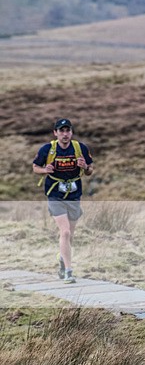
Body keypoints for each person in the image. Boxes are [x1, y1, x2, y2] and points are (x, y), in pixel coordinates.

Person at [31, 118, 95, 284]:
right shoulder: (48, 149)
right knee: (65, 232)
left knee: (70, 236)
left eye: (68, 131)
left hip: (74, 195)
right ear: (56, 133)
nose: (65, 134)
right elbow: (35, 167)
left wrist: (85, 167)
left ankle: (62, 260)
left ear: (71, 132)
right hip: (55, 194)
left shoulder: (80, 148)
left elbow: (90, 170)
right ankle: (68, 271)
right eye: (61, 131)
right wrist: (45, 169)